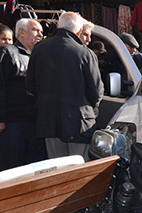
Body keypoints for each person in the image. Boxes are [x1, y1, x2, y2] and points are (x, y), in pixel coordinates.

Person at [25, 12, 104, 161]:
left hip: (49, 121)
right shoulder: (85, 54)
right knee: (78, 170)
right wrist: (90, 108)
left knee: (57, 170)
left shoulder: (39, 49)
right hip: (79, 123)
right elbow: (96, 91)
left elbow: (30, 85)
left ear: (57, 26)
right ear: (79, 31)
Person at [0, 18, 46, 171]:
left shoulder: (38, 56)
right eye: (36, 30)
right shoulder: (8, 52)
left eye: (41, 32)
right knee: (13, 169)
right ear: (21, 32)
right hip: (13, 123)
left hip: (34, 123)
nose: (40, 34)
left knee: (32, 169)